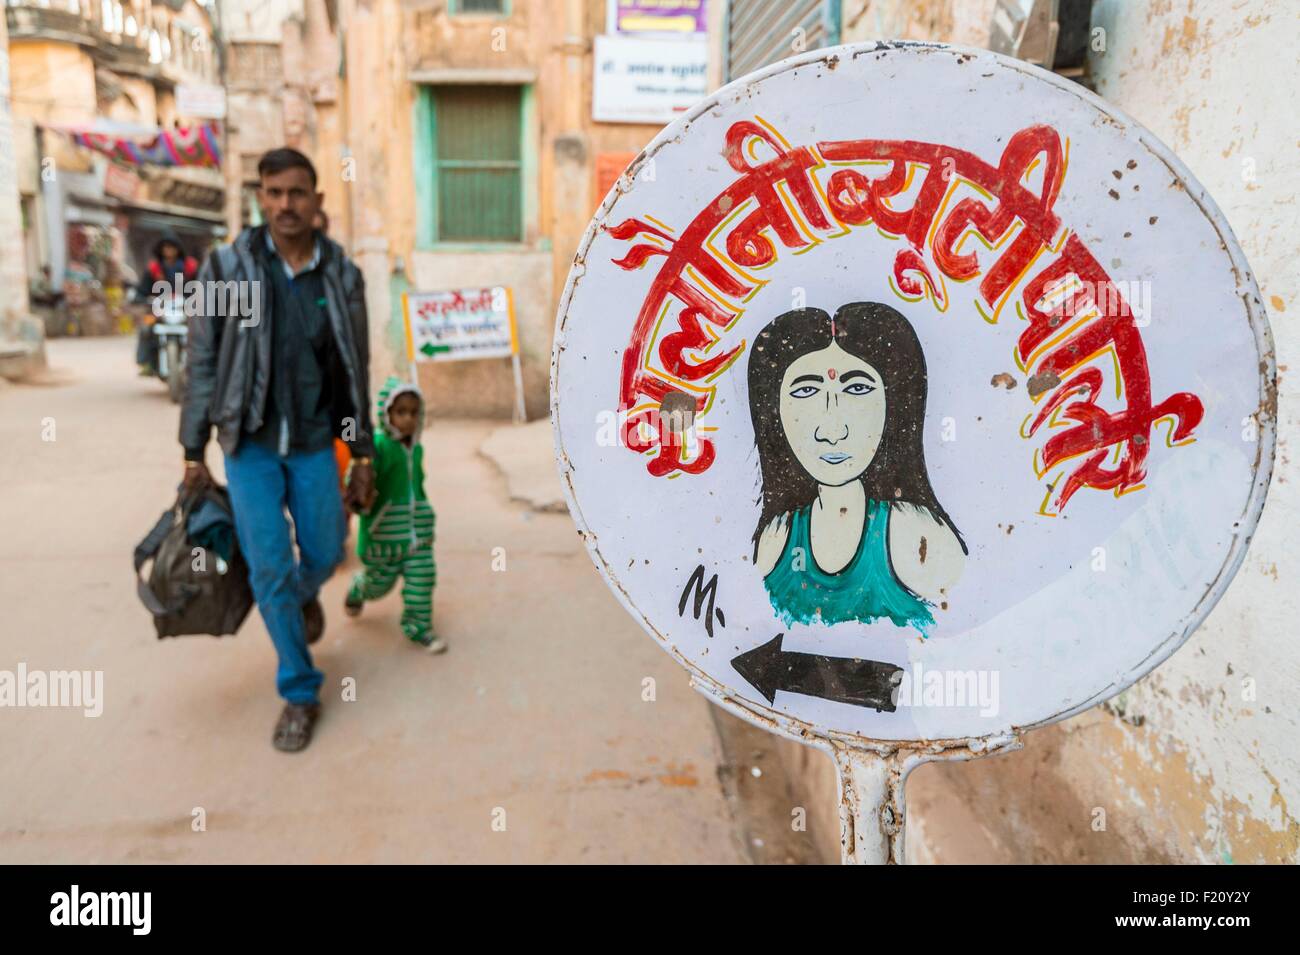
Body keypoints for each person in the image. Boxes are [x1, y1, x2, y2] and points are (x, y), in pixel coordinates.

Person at [179, 147, 376, 753]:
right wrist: (193, 447)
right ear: (261, 197)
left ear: (317, 199)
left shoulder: (341, 275)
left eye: (296, 192)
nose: (285, 204)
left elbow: (353, 369)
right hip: (250, 446)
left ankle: (298, 597)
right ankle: (298, 689)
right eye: (273, 193)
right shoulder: (228, 269)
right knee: (268, 566)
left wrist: (360, 451)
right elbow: (204, 358)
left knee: (324, 549)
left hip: (317, 443)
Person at [748, 302, 967, 633]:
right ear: (774, 409)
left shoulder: (915, 535)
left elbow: (954, 637)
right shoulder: (777, 538)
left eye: (858, 388)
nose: (832, 430)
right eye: (806, 391)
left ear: (894, 402)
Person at [343, 376, 443, 652]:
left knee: (423, 577)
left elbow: (418, 487)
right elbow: (359, 477)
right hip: (382, 539)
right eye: (401, 412)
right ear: (386, 414)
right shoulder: (378, 447)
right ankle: (357, 589)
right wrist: (359, 487)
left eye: (414, 412)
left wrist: (426, 518)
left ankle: (419, 628)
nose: (409, 419)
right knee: (377, 588)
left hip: (417, 536)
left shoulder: (417, 449)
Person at [136, 236, 198, 375]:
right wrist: (142, 298)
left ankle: (200, 363)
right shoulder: (154, 268)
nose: (169, 250)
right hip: (160, 309)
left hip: (185, 309)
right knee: (146, 328)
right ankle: (147, 362)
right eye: (166, 247)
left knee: (200, 330)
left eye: (172, 247)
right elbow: (142, 290)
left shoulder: (190, 267)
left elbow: (199, 286)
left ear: (178, 249)